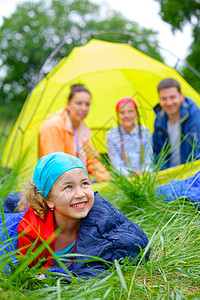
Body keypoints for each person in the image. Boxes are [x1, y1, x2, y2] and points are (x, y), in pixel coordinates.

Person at [0, 152, 150, 279]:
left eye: (85, 183)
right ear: (49, 200)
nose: (80, 194)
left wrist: (54, 275)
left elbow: (137, 244)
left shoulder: (102, 218)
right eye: (68, 187)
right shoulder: (25, 230)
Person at [39, 84, 109, 181]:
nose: (84, 108)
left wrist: (107, 179)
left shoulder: (82, 129)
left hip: (76, 182)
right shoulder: (52, 126)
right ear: (68, 104)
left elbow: (93, 162)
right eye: (79, 103)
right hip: (56, 184)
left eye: (87, 104)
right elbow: (55, 166)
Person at [153, 78, 200, 169]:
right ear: (159, 100)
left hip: (193, 173)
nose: (169, 103)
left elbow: (198, 152)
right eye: (164, 98)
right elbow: (157, 153)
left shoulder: (195, 115)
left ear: (181, 96)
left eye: (172, 97)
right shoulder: (158, 121)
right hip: (169, 175)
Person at [106, 98, 153, 177]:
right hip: (123, 178)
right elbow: (116, 165)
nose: (127, 115)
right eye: (122, 112)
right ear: (118, 115)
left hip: (145, 176)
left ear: (136, 113)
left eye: (130, 111)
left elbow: (149, 159)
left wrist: (144, 172)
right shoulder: (111, 135)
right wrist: (132, 174)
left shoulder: (145, 132)